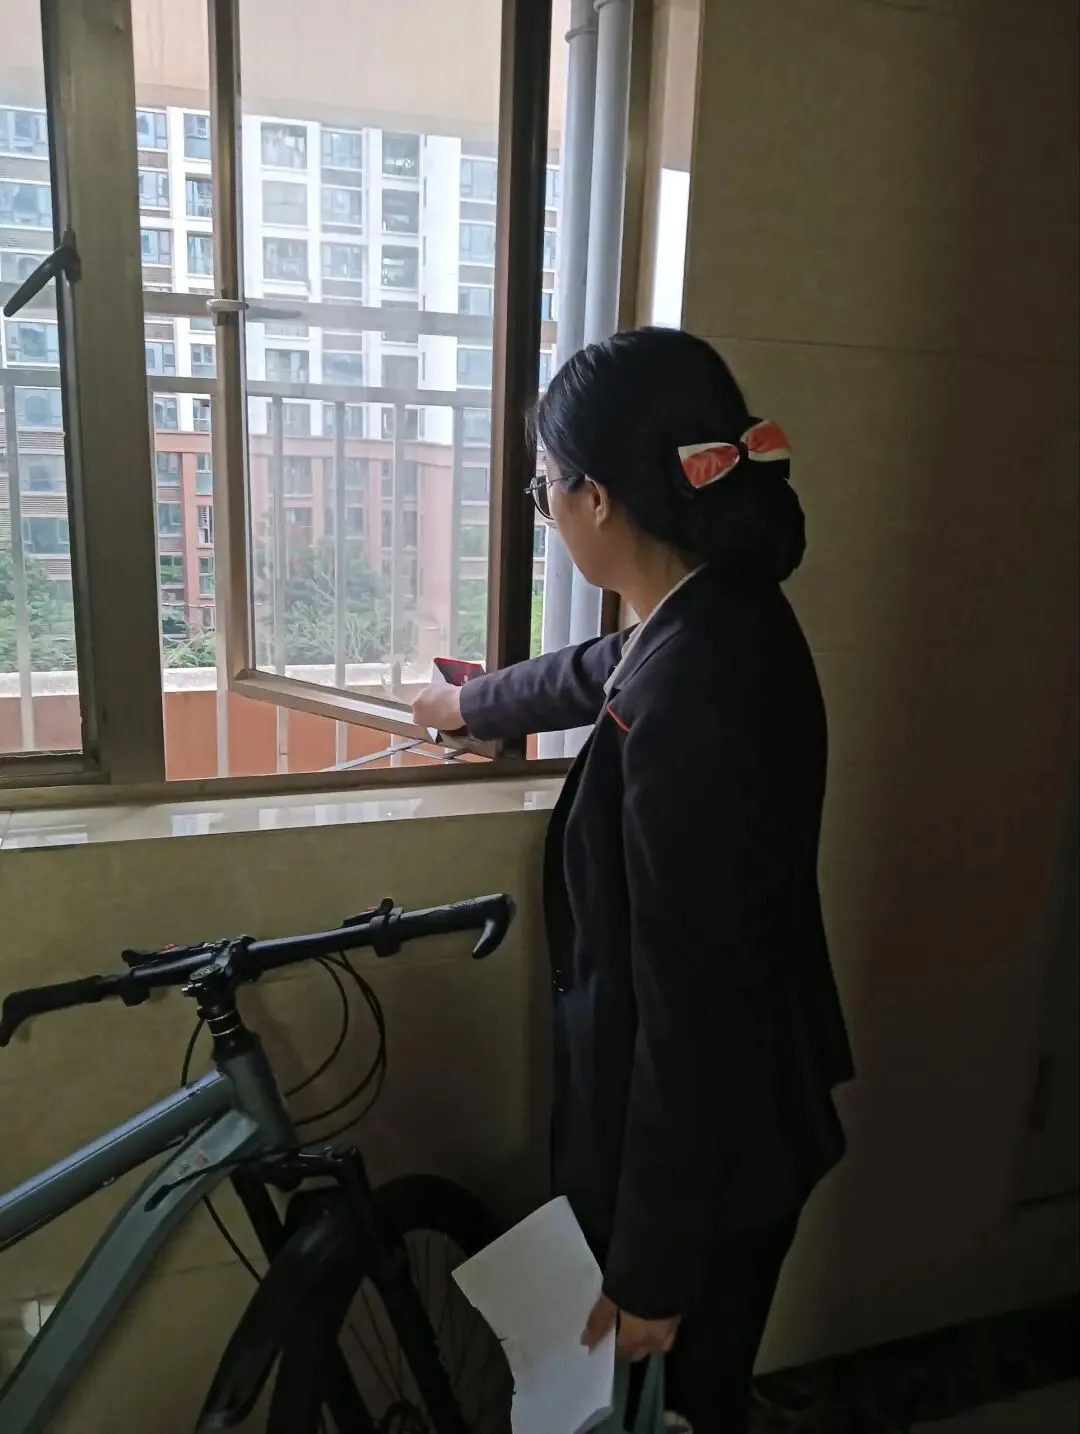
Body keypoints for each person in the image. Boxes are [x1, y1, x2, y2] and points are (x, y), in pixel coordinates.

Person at [412, 327, 853, 1433]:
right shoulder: (710, 615)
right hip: (723, 1132)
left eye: (543, 489)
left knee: (678, 1409)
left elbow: (695, 1009)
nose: (546, 511)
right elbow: (602, 666)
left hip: (715, 1165)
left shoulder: (697, 697)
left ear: (597, 498)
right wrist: (472, 705)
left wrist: (655, 1268)